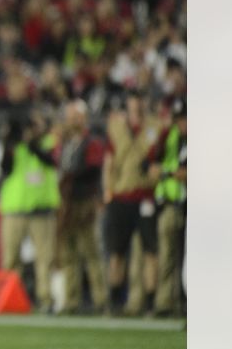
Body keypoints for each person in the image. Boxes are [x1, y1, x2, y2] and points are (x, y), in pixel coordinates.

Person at [103, 93, 162, 315]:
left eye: (139, 105)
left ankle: (149, 303)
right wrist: (108, 190)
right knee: (117, 253)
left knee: (150, 252)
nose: (136, 109)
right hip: (122, 196)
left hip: (146, 195)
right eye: (132, 105)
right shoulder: (116, 129)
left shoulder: (156, 128)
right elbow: (109, 162)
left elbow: (164, 156)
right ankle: (115, 300)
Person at [0, 112, 61, 313]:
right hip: (15, 208)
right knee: (10, 259)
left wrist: (33, 143)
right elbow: (4, 168)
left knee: (45, 258)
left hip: (41, 209)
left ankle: (47, 300)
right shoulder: (14, 146)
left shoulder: (49, 142)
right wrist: (10, 142)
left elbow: (50, 161)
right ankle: (10, 299)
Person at [55, 100, 108, 314]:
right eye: (68, 116)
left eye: (74, 116)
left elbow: (94, 169)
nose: (70, 120)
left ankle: (101, 300)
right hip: (67, 203)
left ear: (82, 118)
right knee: (68, 254)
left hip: (84, 201)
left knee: (91, 253)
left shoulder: (91, 141)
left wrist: (70, 178)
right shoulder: (66, 142)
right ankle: (71, 300)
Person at [148, 97, 186, 317]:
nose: (181, 124)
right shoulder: (170, 138)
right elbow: (151, 161)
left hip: (187, 206)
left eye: (184, 120)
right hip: (171, 204)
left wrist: (165, 173)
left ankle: (181, 302)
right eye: (178, 119)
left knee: (184, 259)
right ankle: (166, 303)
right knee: (168, 256)